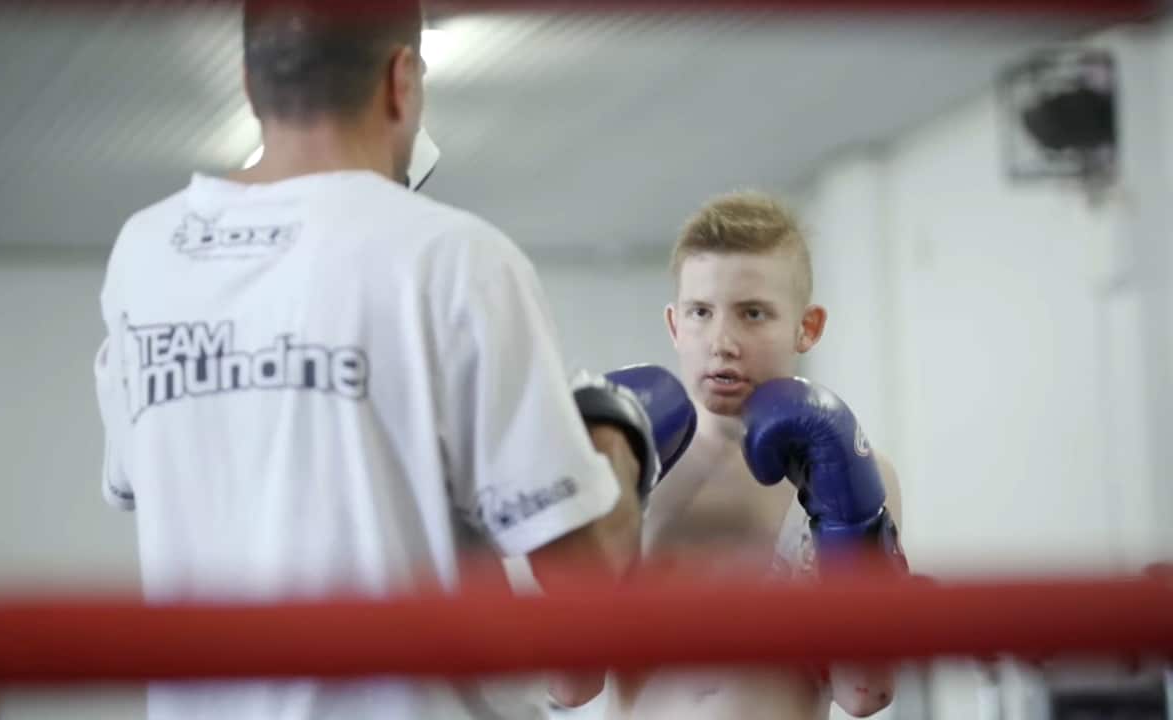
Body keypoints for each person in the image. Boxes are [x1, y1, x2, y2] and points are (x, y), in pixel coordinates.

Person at [91, 2, 695, 718]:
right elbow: (579, 635)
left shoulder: (146, 256)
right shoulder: (453, 259)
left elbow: (136, 478)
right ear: (402, 79)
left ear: (251, 84)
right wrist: (616, 441)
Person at [610, 190, 908, 720]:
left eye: (753, 313)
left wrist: (850, 526)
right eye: (701, 312)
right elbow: (567, 686)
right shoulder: (627, 462)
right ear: (675, 325)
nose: (722, 341)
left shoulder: (859, 471)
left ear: (807, 326)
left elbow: (866, 692)